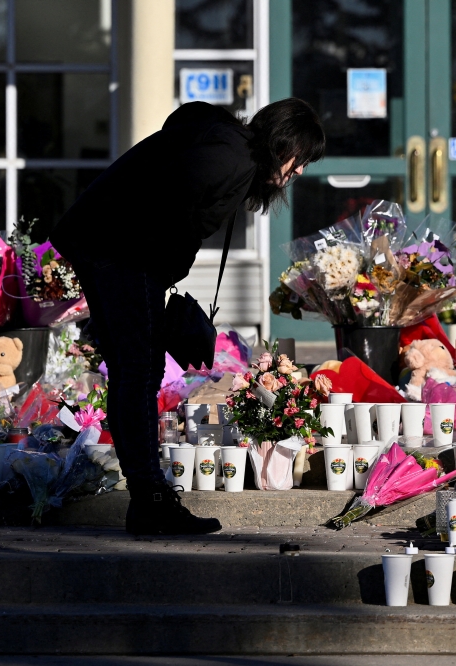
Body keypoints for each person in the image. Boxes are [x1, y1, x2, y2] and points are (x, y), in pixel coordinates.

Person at [49, 99, 325, 535]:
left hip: (113, 247)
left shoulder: (229, 152)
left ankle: (149, 498)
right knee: (138, 371)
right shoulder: (227, 157)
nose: (300, 171)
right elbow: (161, 209)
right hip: (122, 251)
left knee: (132, 371)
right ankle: (151, 500)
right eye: (301, 158)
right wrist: (157, 277)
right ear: (282, 144)